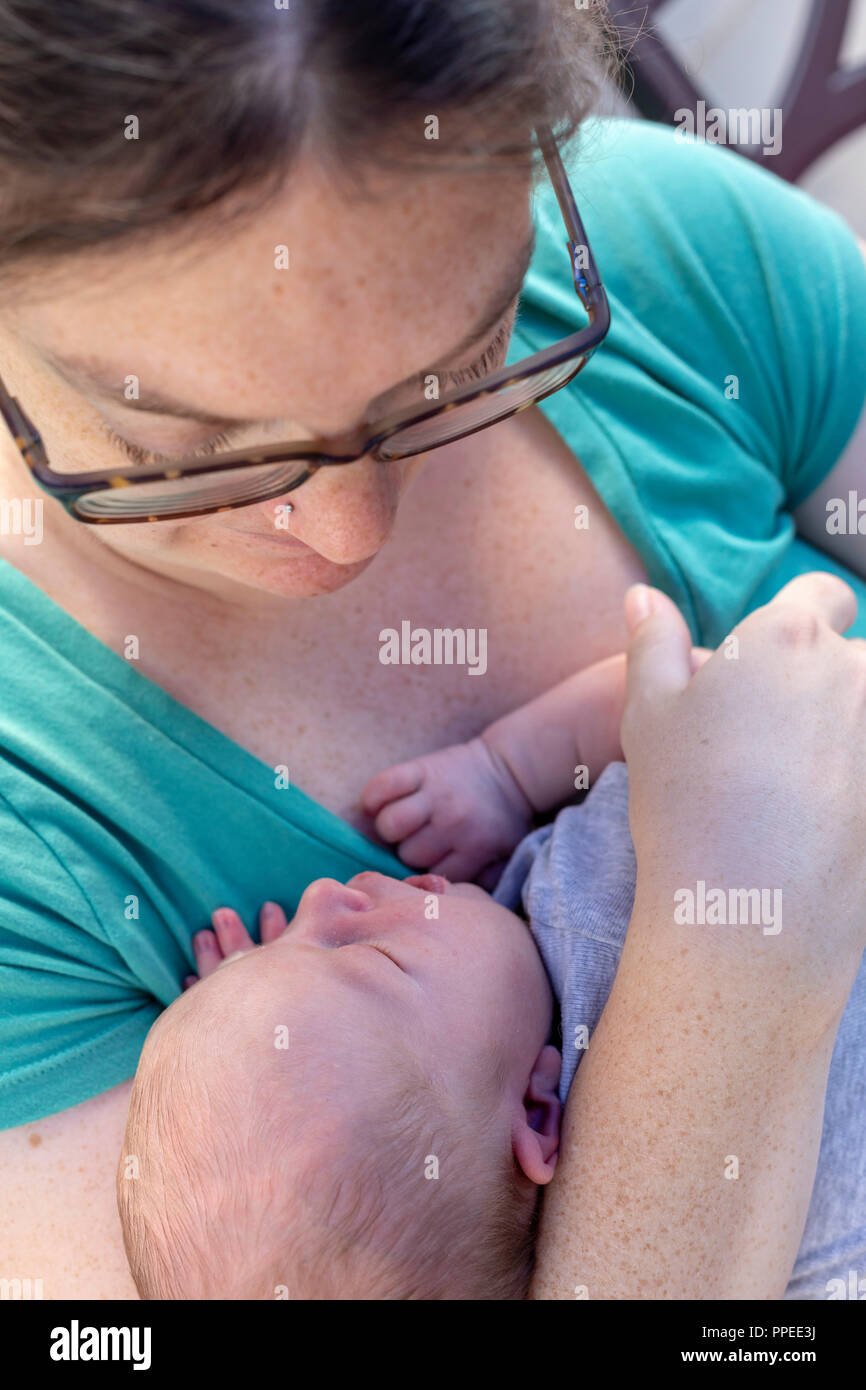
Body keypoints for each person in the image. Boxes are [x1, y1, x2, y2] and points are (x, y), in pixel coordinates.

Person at [0, 2, 864, 1298]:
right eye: (189, 452)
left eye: (457, 367)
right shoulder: (34, 827)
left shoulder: (667, 255)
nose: (346, 536)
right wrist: (733, 962)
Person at [117, 579, 866, 1300]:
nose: (322, 896)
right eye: (363, 952)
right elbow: (711, 718)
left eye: (291, 944)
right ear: (537, 1112)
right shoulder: (601, 909)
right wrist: (506, 770)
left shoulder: (708, 1251)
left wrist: (249, 1007)